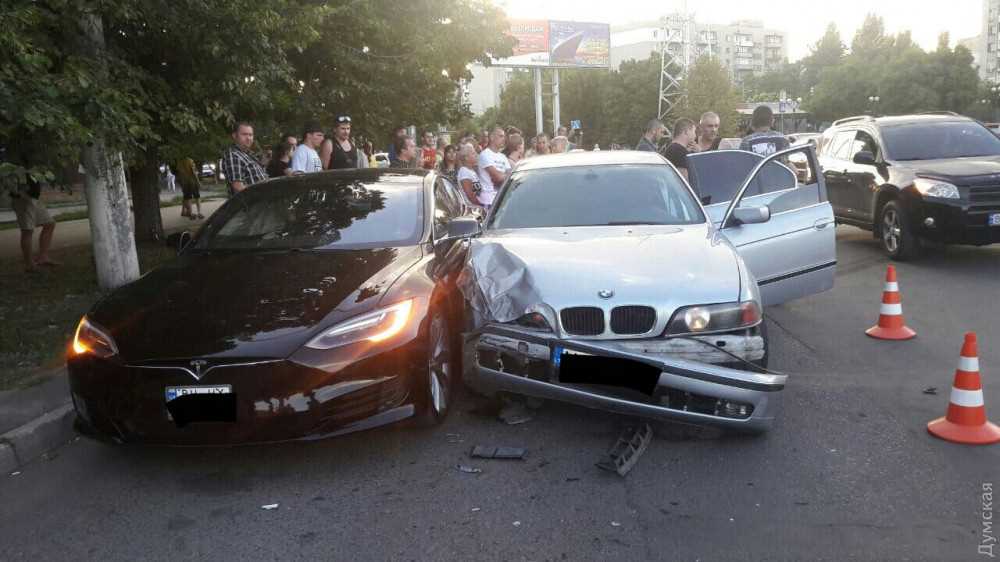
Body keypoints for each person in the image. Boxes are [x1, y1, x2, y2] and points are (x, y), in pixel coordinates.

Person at [10, 174, 58, 273]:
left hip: (33, 198)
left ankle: (43, 257)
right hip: (23, 198)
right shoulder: (15, 162)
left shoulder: (33, 162)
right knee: (27, 231)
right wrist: (19, 193)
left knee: (49, 224)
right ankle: (29, 265)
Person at [221, 121, 267, 195]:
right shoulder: (233, 155)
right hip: (250, 204)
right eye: (244, 134)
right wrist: (260, 195)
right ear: (234, 136)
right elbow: (237, 187)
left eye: (250, 135)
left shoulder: (249, 154)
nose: (248, 138)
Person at [476, 127, 509, 208]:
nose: (503, 139)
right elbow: (497, 177)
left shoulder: (503, 157)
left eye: (504, 136)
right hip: (489, 201)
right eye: (501, 136)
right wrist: (504, 175)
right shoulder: (484, 155)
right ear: (491, 137)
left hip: (501, 199)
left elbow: (511, 176)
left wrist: (503, 176)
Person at [457, 143, 485, 208]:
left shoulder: (471, 171)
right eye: (473, 153)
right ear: (466, 158)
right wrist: (485, 205)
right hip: (474, 210)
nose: (476, 155)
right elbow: (471, 197)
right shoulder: (464, 172)